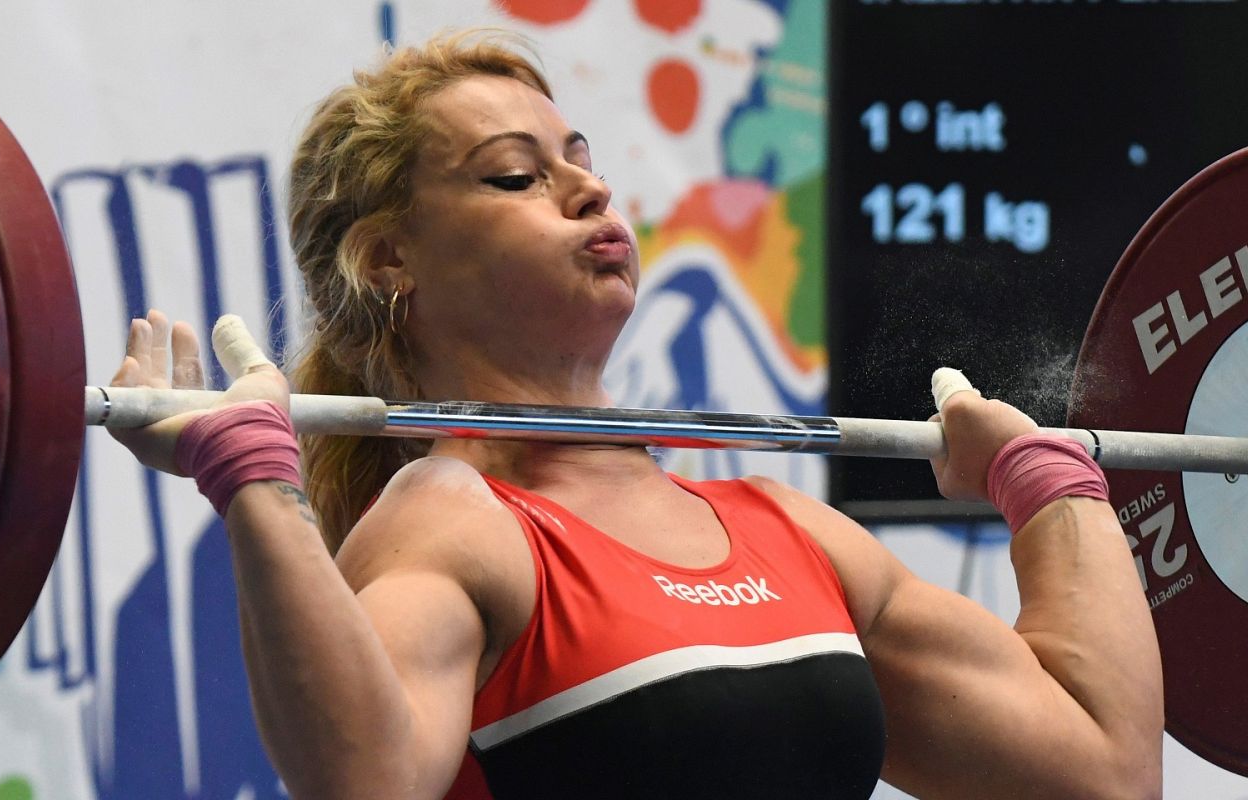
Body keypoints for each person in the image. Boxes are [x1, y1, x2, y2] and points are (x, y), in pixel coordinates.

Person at [108, 31, 1162, 800]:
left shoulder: (790, 533)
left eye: (583, 160)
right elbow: (362, 779)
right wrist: (258, 486)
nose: (588, 191)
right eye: (516, 175)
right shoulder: (454, 522)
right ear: (390, 258)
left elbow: (1100, 772)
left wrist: (1047, 488)